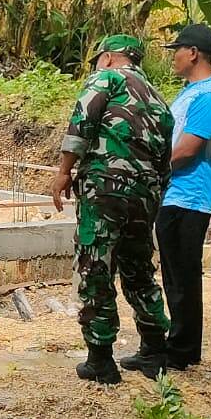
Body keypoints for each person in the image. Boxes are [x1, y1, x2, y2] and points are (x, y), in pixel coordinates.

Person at [49, 34, 175, 385]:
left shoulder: (107, 78)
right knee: (138, 267)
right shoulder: (159, 98)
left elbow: (81, 124)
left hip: (105, 189)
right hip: (145, 193)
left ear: (106, 57)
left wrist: (63, 172)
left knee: (95, 266)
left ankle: (101, 358)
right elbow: (166, 160)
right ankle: (154, 350)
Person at [129, 24, 211, 375]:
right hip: (174, 193)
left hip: (190, 196)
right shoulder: (191, 92)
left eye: (177, 50)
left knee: (184, 274)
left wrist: (146, 167)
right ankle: (176, 344)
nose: (172, 56)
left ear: (193, 53)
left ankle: (183, 349)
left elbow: (187, 148)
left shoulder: (210, 96)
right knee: (173, 273)